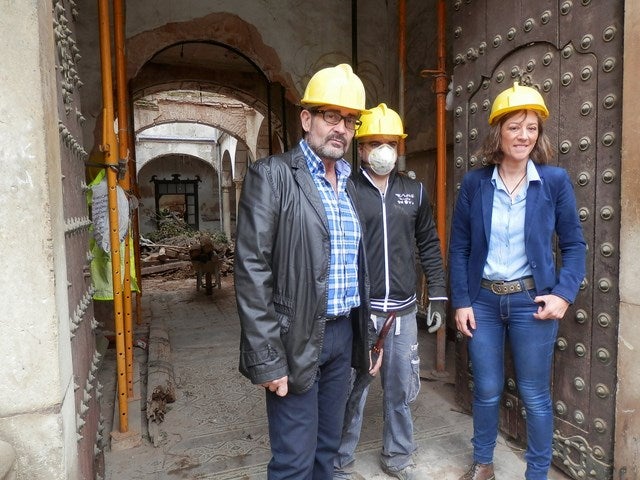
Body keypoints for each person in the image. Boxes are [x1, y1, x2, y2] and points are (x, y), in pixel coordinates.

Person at [234, 63, 381, 480]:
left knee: (326, 452)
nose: (341, 128)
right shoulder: (273, 176)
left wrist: (368, 337)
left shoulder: (351, 186)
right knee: (293, 461)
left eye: (349, 120)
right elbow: (251, 269)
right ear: (306, 119)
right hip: (294, 336)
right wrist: (267, 359)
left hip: (342, 335)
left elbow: (357, 270)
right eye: (331, 116)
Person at [449, 83, 587, 480]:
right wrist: (462, 301)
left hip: (532, 302)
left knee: (534, 394)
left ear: (539, 134)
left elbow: (574, 245)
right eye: (514, 127)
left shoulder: (554, 181)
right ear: (499, 133)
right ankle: (483, 464)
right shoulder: (476, 183)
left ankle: (537, 474)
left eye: (531, 128)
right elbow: (459, 247)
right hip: (484, 303)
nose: (523, 136)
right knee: (487, 389)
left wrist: (563, 294)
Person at [333, 103, 448, 480]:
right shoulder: (346, 189)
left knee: (401, 390)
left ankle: (398, 456)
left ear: (400, 147)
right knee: (353, 390)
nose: (383, 150)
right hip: (360, 311)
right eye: (374, 143)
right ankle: (338, 460)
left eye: (391, 143)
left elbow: (428, 242)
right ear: (361, 148)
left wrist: (438, 295)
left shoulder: (414, 191)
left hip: (402, 313)